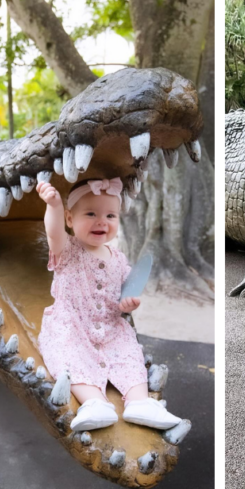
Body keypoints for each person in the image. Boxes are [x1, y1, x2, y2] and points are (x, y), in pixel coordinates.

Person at [36, 177, 182, 432]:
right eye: (91, 213)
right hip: (73, 326)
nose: (102, 221)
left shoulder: (118, 258)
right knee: (69, 355)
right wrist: (54, 206)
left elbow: (123, 294)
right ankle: (94, 402)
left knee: (129, 354)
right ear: (70, 219)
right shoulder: (67, 250)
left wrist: (128, 303)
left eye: (110, 215)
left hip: (110, 329)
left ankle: (139, 402)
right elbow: (53, 233)